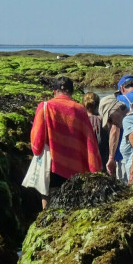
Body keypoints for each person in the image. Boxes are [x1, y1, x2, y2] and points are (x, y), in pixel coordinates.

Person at [30, 76, 102, 208]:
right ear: (72, 92)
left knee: (48, 202)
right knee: (72, 205)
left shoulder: (45, 107)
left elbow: (37, 143)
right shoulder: (80, 110)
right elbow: (90, 141)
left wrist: (37, 149)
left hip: (52, 166)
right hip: (76, 168)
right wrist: (94, 168)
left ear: (54, 91)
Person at [98, 94, 126, 177]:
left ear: (117, 108)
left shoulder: (130, 121)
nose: (111, 122)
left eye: (109, 118)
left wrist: (131, 175)